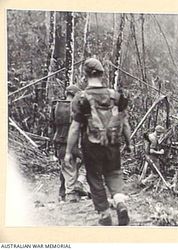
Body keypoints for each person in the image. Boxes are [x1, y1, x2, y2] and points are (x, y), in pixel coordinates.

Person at [65, 58, 132, 226]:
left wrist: (68, 152)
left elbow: (74, 128)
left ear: (85, 75)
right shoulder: (114, 96)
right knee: (114, 173)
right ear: (102, 74)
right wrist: (129, 143)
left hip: (91, 145)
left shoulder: (80, 98)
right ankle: (120, 202)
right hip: (113, 143)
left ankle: (104, 214)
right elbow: (124, 123)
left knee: (94, 178)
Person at [52, 85, 90, 202]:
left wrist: (54, 147)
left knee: (66, 167)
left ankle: (66, 193)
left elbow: (52, 127)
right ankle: (76, 187)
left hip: (60, 142)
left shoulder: (56, 107)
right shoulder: (78, 108)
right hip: (77, 144)